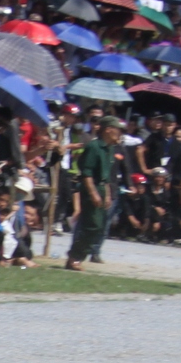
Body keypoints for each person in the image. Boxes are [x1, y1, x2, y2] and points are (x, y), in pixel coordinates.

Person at [64, 116, 118, 271]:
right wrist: (93, 193)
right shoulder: (94, 147)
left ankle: (76, 256)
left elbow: (106, 177)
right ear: (108, 129)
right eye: (116, 129)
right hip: (91, 188)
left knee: (99, 227)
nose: (119, 133)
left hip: (101, 188)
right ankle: (74, 257)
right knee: (92, 225)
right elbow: (86, 174)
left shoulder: (109, 148)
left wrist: (107, 194)